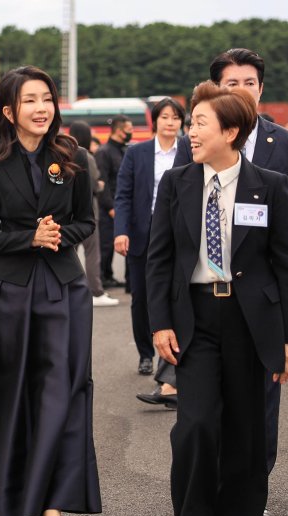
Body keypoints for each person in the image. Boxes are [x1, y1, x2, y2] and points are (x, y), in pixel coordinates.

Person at [170, 48, 288, 516]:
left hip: (258, 291)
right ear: (216, 88)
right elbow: (180, 200)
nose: (241, 89)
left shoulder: (287, 143)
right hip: (204, 296)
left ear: (262, 88)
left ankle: (253, 492)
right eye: (231, 82)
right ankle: (209, 489)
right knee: (202, 412)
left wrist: (263, 213)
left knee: (259, 407)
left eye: (250, 82)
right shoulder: (196, 139)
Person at [147, 80, 288, 516]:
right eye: (191, 123)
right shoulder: (177, 183)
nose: (189, 132)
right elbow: (159, 257)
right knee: (194, 428)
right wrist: (159, 322)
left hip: (251, 324)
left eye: (199, 124)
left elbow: (284, 264)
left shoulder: (269, 187)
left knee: (245, 432)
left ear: (230, 131)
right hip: (194, 320)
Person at [0, 65, 102, 516]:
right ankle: (13, 504)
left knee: (60, 396)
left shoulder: (72, 156)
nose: (41, 108)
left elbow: (87, 220)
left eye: (47, 98)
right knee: (13, 396)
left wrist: (60, 235)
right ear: (8, 111)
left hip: (65, 290)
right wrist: (29, 238)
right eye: (30, 100)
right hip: (11, 292)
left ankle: (52, 507)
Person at [115, 98, 185, 386]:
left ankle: (167, 358)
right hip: (143, 233)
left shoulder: (190, 151)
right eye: (164, 117)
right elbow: (123, 195)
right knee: (142, 296)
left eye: (175, 118)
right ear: (154, 121)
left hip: (179, 232)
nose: (170, 122)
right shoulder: (137, 153)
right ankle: (145, 352)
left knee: (174, 295)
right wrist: (121, 231)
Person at [69, 120, 119, 307]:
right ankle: (95, 291)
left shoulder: (64, 154)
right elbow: (92, 185)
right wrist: (99, 185)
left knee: (69, 253)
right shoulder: (86, 156)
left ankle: (68, 288)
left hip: (69, 213)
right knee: (92, 253)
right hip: (88, 211)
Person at [96, 114, 133, 288]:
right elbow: (102, 182)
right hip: (108, 208)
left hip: (122, 206)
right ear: (119, 131)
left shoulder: (124, 151)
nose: (131, 133)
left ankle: (114, 276)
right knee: (105, 246)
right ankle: (103, 276)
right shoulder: (104, 152)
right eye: (129, 130)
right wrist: (111, 208)